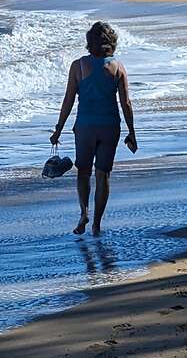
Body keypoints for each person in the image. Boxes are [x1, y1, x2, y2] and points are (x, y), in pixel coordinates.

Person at [49, 21, 137, 236]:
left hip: (85, 127)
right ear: (112, 42)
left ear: (90, 42)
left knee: (83, 173)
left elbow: (68, 99)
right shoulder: (118, 67)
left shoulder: (78, 66)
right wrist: (132, 132)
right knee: (103, 175)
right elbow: (126, 103)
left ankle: (84, 213)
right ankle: (97, 224)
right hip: (110, 126)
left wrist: (58, 129)